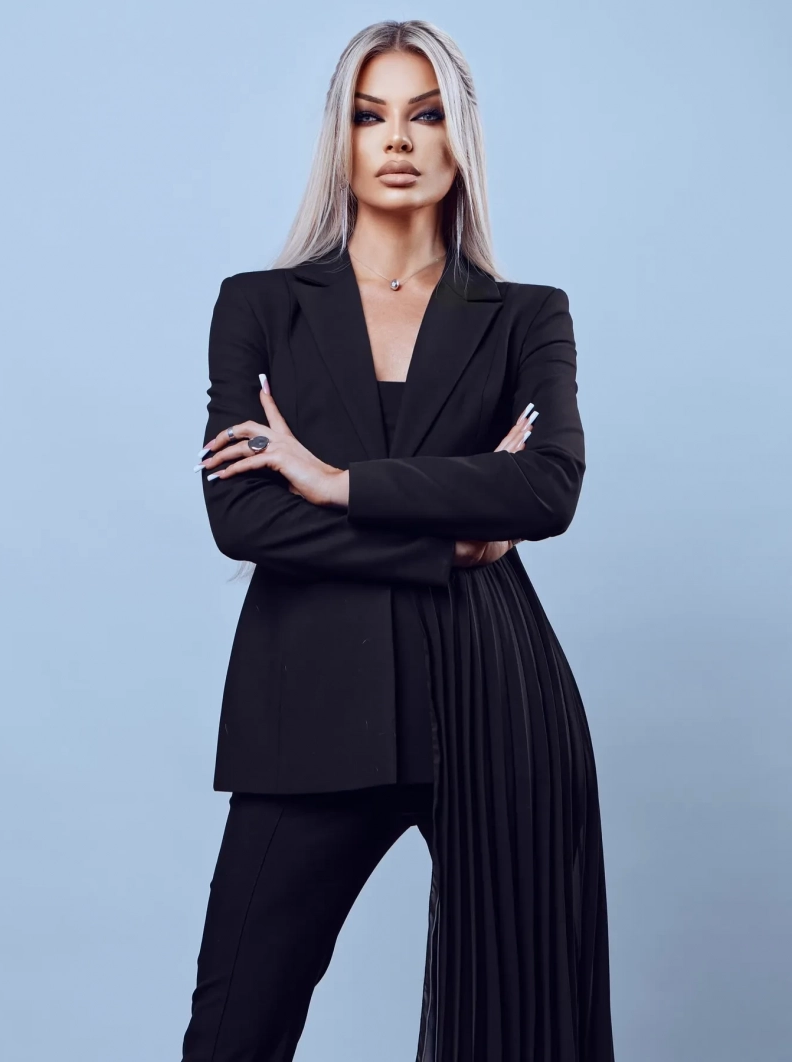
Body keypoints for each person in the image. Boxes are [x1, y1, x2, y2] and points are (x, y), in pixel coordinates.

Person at [182, 18, 615, 1062]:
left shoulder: (526, 315)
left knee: (523, 1035)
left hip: (493, 700)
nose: (399, 140)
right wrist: (446, 541)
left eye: (426, 114)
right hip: (308, 702)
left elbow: (547, 486)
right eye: (370, 115)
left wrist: (335, 484)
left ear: (460, 136)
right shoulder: (258, 309)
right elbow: (243, 516)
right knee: (235, 1028)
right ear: (339, 137)